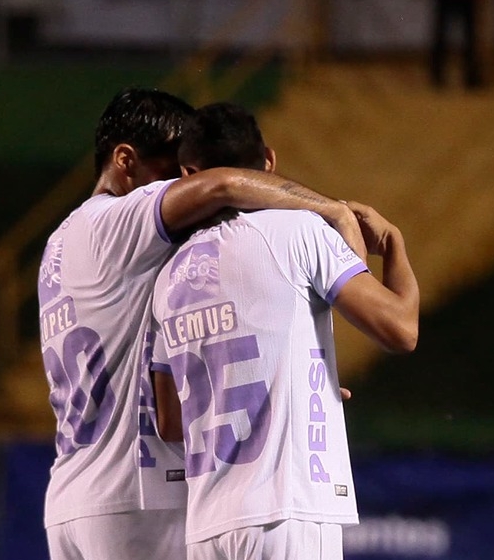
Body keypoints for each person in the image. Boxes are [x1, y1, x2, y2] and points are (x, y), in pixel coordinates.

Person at [39, 88, 365, 560]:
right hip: (138, 498)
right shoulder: (118, 222)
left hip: (72, 495)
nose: (185, 189)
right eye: (174, 175)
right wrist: (332, 210)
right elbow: (223, 186)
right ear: (125, 161)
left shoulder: (61, 242)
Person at [149, 102, 419, 560]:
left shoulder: (169, 277)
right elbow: (400, 329)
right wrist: (395, 246)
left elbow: (172, 422)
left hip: (207, 527)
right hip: (286, 511)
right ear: (269, 162)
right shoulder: (298, 231)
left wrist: (289, 378)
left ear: (188, 173)